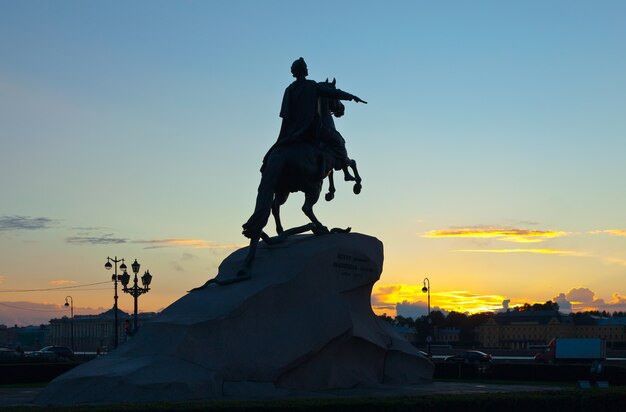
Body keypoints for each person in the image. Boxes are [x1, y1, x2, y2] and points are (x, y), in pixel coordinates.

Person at [261, 57, 366, 171]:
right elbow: (333, 93)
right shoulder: (311, 85)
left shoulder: (289, 89)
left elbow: (285, 114)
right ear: (303, 70)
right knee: (339, 142)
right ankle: (343, 164)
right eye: (306, 67)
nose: (307, 69)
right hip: (312, 129)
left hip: (291, 131)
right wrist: (351, 97)